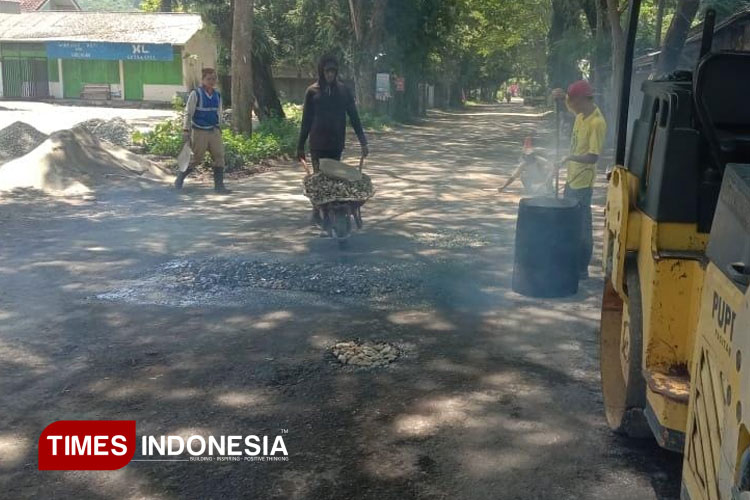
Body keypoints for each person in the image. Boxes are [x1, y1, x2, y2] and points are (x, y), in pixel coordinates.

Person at [553, 80, 607, 279]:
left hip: (583, 182)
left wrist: (568, 157)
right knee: (570, 223)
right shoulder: (580, 114)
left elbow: (593, 157)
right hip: (571, 178)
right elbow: (566, 105)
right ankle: (570, 263)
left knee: (582, 226)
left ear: (583, 99)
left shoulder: (596, 122)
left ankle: (582, 268)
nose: (571, 105)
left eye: (572, 101)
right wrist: (559, 97)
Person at [297, 55, 369, 173]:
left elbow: (354, 118)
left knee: (334, 180)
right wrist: (300, 147)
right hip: (317, 145)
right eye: (327, 71)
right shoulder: (312, 92)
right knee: (319, 181)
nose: (330, 74)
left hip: (336, 145)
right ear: (322, 71)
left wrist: (363, 142)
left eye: (333, 71)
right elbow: (306, 121)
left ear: (336, 72)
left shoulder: (344, 91)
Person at [174, 67, 230, 194]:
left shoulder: (217, 95)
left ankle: (219, 186)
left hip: (214, 130)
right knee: (197, 159)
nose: (212, 81)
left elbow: (218, 112)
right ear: (203, 80)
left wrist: (220, 127)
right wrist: (186, 130)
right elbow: (188, 113)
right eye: (209, 79)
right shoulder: (196, 94)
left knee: (219, 156)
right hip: (199, 131)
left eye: (214, 79)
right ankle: (180, 177)